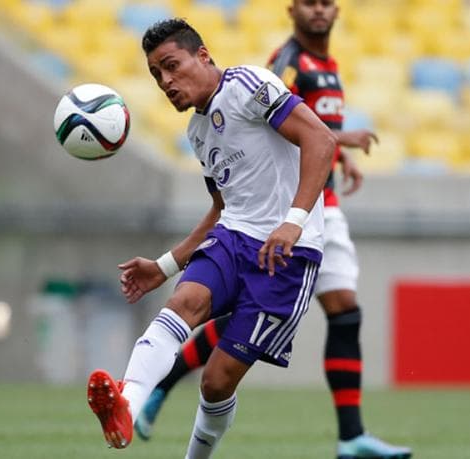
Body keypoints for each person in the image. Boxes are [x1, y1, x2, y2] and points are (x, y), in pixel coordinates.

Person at [132, 2, 412, 458]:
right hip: (282, 214)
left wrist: (336, 153)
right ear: (292, 9)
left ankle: (351, 435)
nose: (319, 10)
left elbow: (301, 131)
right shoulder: (286, 64)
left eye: (326, 2)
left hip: (313, 207)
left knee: (342, 311)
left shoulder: (328, 64)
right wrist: (332, 152)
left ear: (337, 9)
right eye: (309, 2)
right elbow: (269, 123)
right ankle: (159, 384)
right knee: (226, 311)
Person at [85, 18, 335, 458]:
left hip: (287, 256)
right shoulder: (197, 132)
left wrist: (293, 221)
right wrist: (164, 266)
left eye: (171, 65)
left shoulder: (248, 85)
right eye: (156, 74)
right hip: (233, 238)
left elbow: (320, 139)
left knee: (215, 382)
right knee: (181, 306)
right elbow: (222, 208)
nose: (166, 82)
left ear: (202, 56)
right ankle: (126, 407)